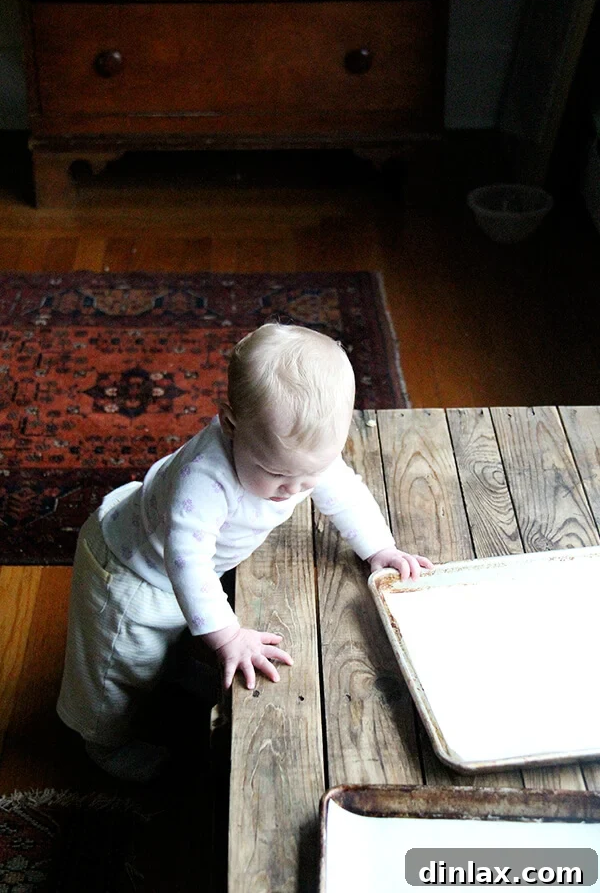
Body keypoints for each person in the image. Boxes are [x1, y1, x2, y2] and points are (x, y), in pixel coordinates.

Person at [57, 323, 433, 781]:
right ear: (231, 423)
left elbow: (345, 494)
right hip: (134, 576)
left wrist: (380, 548)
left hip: (179, 565)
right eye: (276, 473)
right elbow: (187, 563)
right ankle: (103, 741)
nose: (292, 490)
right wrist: (229, 637)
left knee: (168, 647)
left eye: (308, 476)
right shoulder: (206, 479)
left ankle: (172, 671)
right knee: (118, 669)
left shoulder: (300, 455)